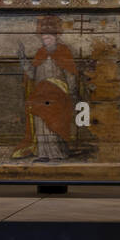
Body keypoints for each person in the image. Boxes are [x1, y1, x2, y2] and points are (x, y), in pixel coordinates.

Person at [12, 15, 77, 161]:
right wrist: (22, 58)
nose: (45, 39)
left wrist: (72, 93)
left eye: (49, 36)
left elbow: (70, 74)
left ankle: (57, 153)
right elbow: (32, 74)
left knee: (53, 120)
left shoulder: (63, 51)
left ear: (56, 36)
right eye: (43, 37)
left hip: (58, 92)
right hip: (41, 92)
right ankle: (44, 154)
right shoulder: (40, 53)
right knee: (39, 117)